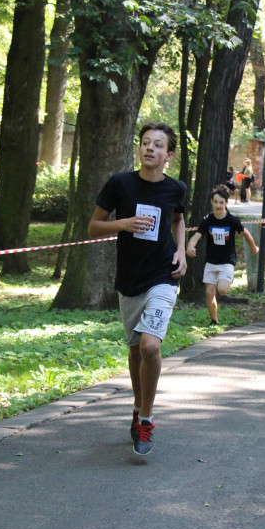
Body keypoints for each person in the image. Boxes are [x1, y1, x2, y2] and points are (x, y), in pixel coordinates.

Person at [87, 120, 187, 456]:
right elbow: (93, 226)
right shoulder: (120, 184)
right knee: (134, 350)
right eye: (146, 142)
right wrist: (123, 224)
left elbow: (178, 218)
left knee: (149, 347)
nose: (150, 148)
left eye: (158, 145)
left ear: (168, 154)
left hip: (162, 277)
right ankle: (137, 406)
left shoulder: (176, 189)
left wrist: (180, 250)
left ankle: (147, 418)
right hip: (129, 280)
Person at [186, 185, 259, 326]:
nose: (218, 205)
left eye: (221, 202)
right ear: (211, 202)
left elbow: (246, 234)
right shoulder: (207, 220)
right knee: (209, 293)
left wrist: (253, 247)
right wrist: (190, 245)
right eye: (216, 202)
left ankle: (226, 279)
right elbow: (196, 236)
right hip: (211, 261)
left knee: (223, 290)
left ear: (226, 203)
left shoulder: (231, 220)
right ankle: (214, 320)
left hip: (227, 261)